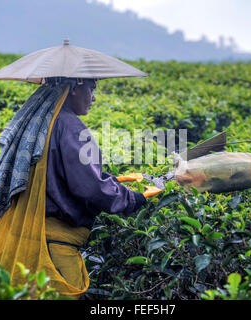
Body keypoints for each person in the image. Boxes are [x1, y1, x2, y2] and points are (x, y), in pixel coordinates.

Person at [44, 78, 158, 297]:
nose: (94, 97)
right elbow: (91, 188)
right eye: (91, 88)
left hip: (32, 239)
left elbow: (63, 176)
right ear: (75, 88)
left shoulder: (43, 121)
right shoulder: (69, 125)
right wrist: (135, 199)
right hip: (55, 246)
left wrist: (114, 181)